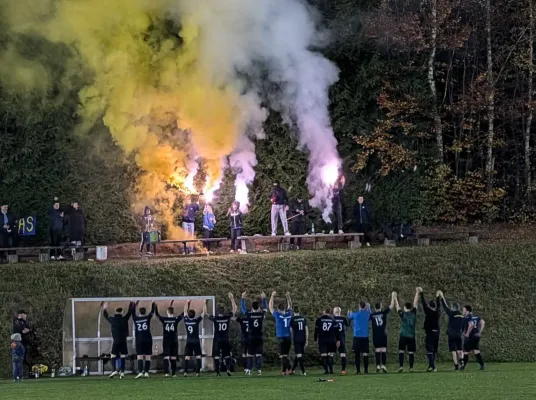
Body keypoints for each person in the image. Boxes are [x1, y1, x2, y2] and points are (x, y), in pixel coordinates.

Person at [207, 293, 237, 376]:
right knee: (226, 355)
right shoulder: (227, 317)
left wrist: (204, 304)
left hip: (217, 339)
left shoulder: (215, 318)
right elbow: (234, 309)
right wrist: (232, 298)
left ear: (218, 312)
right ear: (224, 312)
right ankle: (228, 369)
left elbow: (206, 314)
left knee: (216, 356)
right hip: (225, 339)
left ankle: (218, 372)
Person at [102, 301, 133, 379]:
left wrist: (104, 308)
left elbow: (105, 315)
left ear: (115, 312)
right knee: (122, 356)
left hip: (116, 341)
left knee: (113, 355)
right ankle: (122, 372)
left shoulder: (112, 319)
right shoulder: (124, 319)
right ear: (122, 312)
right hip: (123, 341)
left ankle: (114, 370)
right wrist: (132, 304)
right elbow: (130, 312)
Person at [241, 291, 268, 375]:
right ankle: (259, 370)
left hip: (251, 337)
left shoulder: (249, 314)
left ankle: (249, 369)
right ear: (259, 307)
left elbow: (243, 309)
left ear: (252, 308)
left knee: (250, 354)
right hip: (259, 337)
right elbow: (266, 308)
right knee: (259, 354)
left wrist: (242, 298)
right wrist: (264, 298)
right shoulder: (261, 314)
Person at [438, 290, 465, 370]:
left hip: (451, 335)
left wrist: (442, 296)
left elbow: (445, 306)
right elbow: (464, 326)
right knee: (460, 349)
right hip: (459, 335)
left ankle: (456, 365)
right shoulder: (462, 316)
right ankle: (462, 361)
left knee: (453, 350)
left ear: (453, 308)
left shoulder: (451, 313)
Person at [155, 301, 183, 377]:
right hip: (174, 340)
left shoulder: (164, 319)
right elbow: (183, 315)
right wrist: (187, 305)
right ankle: (173, 373)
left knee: (166, 357)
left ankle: (166, 373)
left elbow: (157, 315)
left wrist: (155, 306)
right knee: (173, 357)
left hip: (166, 340)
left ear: (167, 312)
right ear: (173, 312)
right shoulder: (176, 319)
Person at [370, 292, 397, 373]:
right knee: (384, 350)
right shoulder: (383, 313)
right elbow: (391, 306)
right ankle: (384, 366)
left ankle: (378, 366)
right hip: (383, 334)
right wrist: (393, 296)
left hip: (376, 335)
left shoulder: (372, 315)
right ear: (381, 307)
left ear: (374, 308)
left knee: (377, 350)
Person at [394, 288, 419, 372]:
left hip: (403, 335)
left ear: (404, 307)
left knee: (401, 351)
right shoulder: (413, 313)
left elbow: (397, 307)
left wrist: (395, 297)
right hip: (411, 336)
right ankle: (411, 368)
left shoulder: (403, 314)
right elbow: (415, 303)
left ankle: (401, 366)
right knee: (411, 352)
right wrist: (417, 293)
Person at [269, 291, 293, 375]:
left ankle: (290, 368)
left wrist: (272, 296)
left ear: (279, 309)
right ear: (284, 309)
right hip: (288, 338)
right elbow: (290, 305)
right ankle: (283, 371)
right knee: (285, 354)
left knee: (282, 355)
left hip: (281, 337)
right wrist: (288, 297)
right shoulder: (289, 314)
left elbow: (270, 307)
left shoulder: (277, 315)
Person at [419, 287, 441, 372]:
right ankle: (430, 366)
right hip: (437, 333)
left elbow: (423, 303)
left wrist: (421, 293)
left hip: (430, 333)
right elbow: (439, 305)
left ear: (430, 306)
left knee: (429, 349)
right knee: (434, 350)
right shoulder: (438, 312)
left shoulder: (428, 312)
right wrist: (437, 296)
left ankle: (433, 366)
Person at [132, 301, 156, 379]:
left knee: (140, 356)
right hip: (148, 339)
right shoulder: (147, 318)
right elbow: (152, 312)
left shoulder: (136, 318)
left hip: (139, 339)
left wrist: (134, 305)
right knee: (148, 356)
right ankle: (146, 372)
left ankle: (140, 372)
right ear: (145, 312)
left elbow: (132, 312)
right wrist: (153, 304)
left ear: (139, 312)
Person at [348, 301, 371, 374]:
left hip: (357, 337)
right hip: (365, 336)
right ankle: (366, 370)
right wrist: (369, 308)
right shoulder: (367, 314)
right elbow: (371, 314)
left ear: (359, 306)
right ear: (365, 307)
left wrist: (349, 312)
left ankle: (358, 371)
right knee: (365, 354)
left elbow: (349, 317)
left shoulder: (355, 314)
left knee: (357, 354)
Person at [314, 307, 339, 375]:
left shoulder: (319, 320)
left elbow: (316, 330)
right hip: (331, 339)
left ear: (324, 311)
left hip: (322, 339)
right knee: (330, 356)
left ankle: (326, 371)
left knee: (324, 355)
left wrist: (315, 339)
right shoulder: (333, 320)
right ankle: (331, 370)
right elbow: (337, 331)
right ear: (330, 312)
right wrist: (338, 340)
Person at [183, 299, 204, 377]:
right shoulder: (196, 320)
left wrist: (187, 302)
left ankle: (185, 372)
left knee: (187, 357)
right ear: (194, 315)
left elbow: (184, 310)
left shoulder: (186, 320)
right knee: (198, 356)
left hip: (189, 341)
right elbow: (203, 313)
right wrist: (204, 303)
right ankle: (197, 372)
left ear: (188, 315)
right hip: (196, 341)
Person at [462, 305, 485, 370]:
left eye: (463, 309)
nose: (463, 311)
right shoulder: (476, 316)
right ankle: (482, 365)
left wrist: (467, 333)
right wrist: (480, 332)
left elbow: (471, 324)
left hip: (470, 336)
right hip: (476, 335)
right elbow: (483, 322)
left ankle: (463, 367)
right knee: (476, 350)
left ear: (467, 310)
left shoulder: (467, 317)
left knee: (466, 351)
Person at [290, 306, 309, 376]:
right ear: (299, 311)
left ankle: (303, 371)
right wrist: (307, 339)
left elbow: (291, 330)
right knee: (298, 355)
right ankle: (293, 370)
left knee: (299, 355)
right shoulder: (303, 318)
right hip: (303, 338)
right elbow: (306, 329)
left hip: (297, 339)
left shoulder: (292, 319)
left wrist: (292, 337)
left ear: (293, 311)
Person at [12, 311, 31, 377]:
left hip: (23, 342)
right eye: (24, 315)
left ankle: (20, 375)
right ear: (21, 314)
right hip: (19, 342)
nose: (25, 316)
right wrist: (24, 331)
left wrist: (28, 330)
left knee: (21, 359)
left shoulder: (24, 322)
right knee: (18, 360)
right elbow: (20, 331)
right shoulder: (16, 321)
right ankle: (18, 375)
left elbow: (27, 329)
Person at [333, 307, 349, 374]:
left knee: (330, 354)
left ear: (334, 312)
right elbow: (348, 325)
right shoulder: (343, 318)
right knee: (343, 354)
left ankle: (330, 370)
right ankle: (343, 370)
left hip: (334, 338)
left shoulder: (332, 319)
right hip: (342, 338)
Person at [235, 309, 250, 373]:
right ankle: (249, 368)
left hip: (244, 338)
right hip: (250, 338)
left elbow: (234, 318)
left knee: (244, 354)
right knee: (249, 354)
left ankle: (245, 368)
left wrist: (236, 313)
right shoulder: (252, 319)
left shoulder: (242, 319)